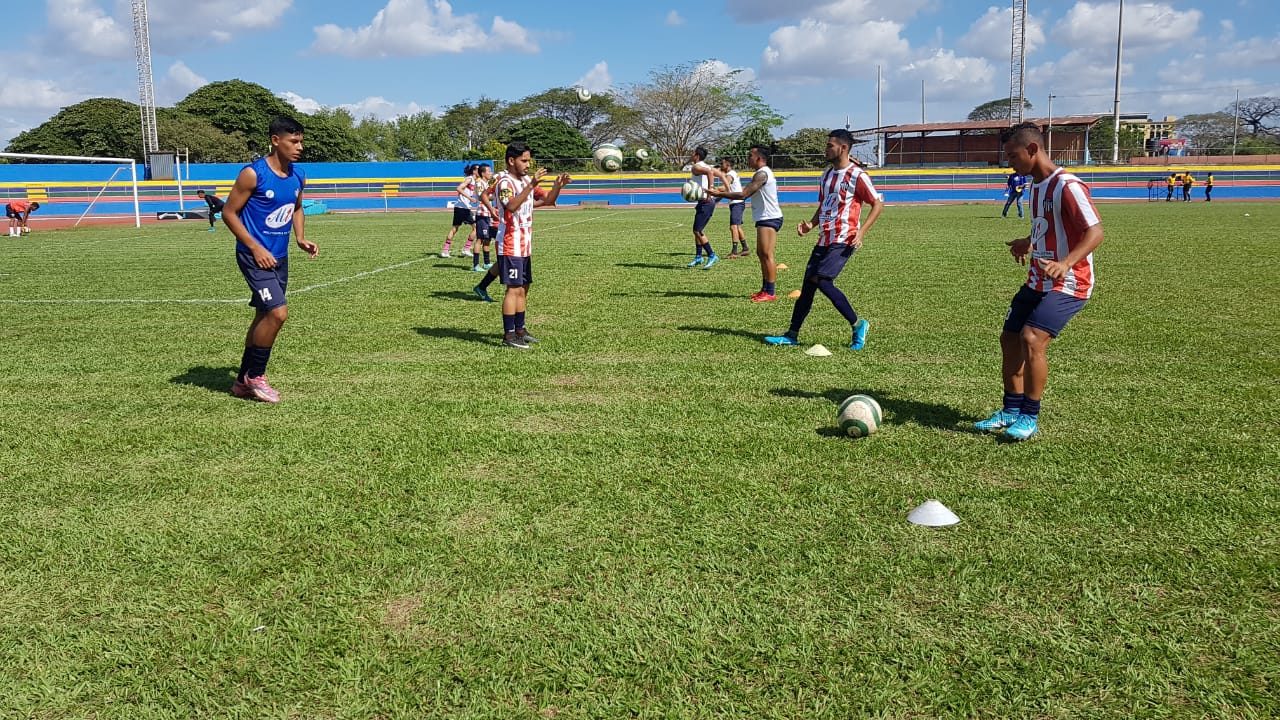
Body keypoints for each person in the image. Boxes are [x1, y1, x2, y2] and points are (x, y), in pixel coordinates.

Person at [974, 122, 1103, 441]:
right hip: (1037, 280)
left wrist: (1066, 263)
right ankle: (1010, 410)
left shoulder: (1067, 185)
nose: (1009, 162)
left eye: (1013, 155)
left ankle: (1029, 417)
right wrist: (1027, 242)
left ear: (1033, 150)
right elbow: (1047, 228)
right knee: (1010, 337)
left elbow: (1095, 232)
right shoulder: (1034, 186)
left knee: (1032, 339)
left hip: (1070, 282)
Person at [222, 116, 317, 403]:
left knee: (263, 316)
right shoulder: (253, 174)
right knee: (278, 313)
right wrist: (254, 247)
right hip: (254, 258)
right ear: (276, 141)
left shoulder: (299, 175)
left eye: (301, 141)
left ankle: (241, 381)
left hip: (280, 256)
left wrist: (300, 238)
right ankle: (257, 376)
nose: (299, 147)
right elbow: (229, 213)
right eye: (293, 141)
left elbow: (297, 207)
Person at [764, 129, 882, 349]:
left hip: (844, 238)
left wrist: (862, 231)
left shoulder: (857, 175)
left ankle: (858, 325)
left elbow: (877, 203)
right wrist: (811, 224)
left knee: (823, 281)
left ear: (843, 148)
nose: (825, 149)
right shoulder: (826, 175)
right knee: (808, 286)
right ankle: (791, 334)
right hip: (824, 238)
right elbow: (825, 205)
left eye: (830, 145)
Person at [470, 142, 570, 349]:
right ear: (511, 160)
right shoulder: (505, 182)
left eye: (528, 160)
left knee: (524, 288)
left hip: (524, 245)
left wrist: (558, 186)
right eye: (524, 160)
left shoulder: (525, 180)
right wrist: (531, 185)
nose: (528, 164)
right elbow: (511, 206)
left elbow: (549, 201)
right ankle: (509, 336)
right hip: (509, 244)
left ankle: (520, 330)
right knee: (513, 289)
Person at [707, 144, 783, 302]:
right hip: (764, 218)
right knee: (761, 254)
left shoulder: (762, 174)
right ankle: (765, 289)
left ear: (759, 158)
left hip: (769, 217)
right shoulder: (760, 173)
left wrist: (718, 193)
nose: (748, 158)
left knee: (766, 254)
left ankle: (770, 292)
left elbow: (742, 195)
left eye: (750, 155)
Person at [685, 146, 726, 269]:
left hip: (706, 202)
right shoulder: (707, 165)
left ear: (697, 155)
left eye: (692, 153)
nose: (691, 154)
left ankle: (711, 255)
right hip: (703, 202)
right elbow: (718, 174)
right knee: (697, 230)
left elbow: (709, 173)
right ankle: (698, 257)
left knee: (697, 231)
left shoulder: (696, 167)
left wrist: (710, 191)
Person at [440, 164, 478, 258]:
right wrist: (470, 198)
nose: (480, 171)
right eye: (478, 169)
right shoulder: (469, 179)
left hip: (461, 207)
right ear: (474, 171)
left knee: (455, 228)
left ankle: (445, 250)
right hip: (463, 208)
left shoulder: (474, 181)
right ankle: (466, 249)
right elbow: (459, 188)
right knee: (476, 228)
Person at [719, 157, 749, 258]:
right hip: (737, 203)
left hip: (737, 203)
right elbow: (726, 191)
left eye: (722, 163)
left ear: (728, 165)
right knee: (737, 227)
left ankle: (734, 252)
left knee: (733, 227)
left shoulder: (730, 174)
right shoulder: (731, 173)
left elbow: (724, 188)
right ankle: (745, 249)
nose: (720, 165)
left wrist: (712, 189)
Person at [471, 163, 497, 272]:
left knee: (487, 239)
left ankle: (486, 262)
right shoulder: (479, 183)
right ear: (483, 173)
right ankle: (475, 265)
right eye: (489, 171)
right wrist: (494, 196)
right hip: (482, 214)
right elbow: (483, 196)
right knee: (480, 239)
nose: (491, 173)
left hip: (488, 214)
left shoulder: (486, 183)